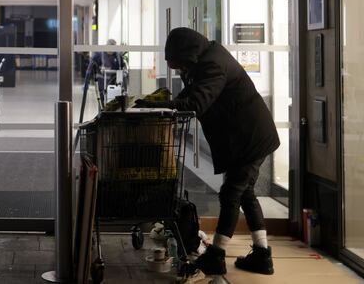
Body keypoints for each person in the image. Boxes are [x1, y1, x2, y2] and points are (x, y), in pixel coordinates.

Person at [135, 27, 280, 276]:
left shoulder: (213, 65)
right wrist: (160, 103)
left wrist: (159, 105)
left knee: (230, 194)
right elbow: (188, 93)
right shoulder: (204, 59)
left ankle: (216, 255)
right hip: (247, 136)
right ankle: (262, 254)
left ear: (187, 53)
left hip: (250, 137)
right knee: (245, 194)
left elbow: (196, 103)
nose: (178, 69)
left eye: (178, 63)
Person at [94, 39, 125, 104]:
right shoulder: (99, 55)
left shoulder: (118, 57)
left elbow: (121, 68)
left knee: (114, 102)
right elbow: (93, 67)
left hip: (115, 84)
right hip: (102, 84)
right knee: (103, 102)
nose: (112, 50)